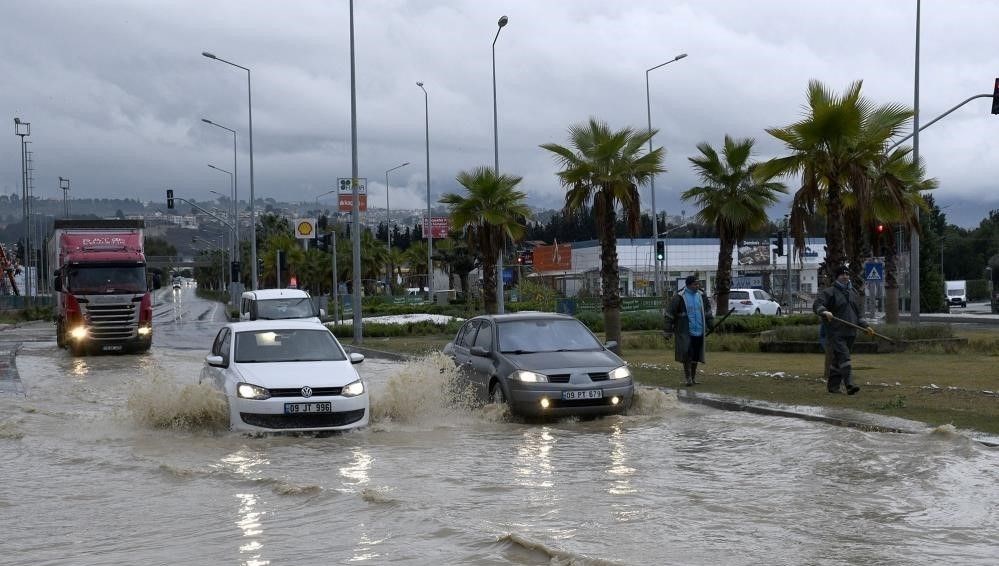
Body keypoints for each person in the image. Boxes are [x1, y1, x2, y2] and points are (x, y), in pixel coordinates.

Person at [813, 265, 875, 395]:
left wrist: (866, 326)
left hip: (851, 332)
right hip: (836, 332)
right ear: (837, 277)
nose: (845, 277)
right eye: (842, 274)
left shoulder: (854, 293)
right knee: (845, 357)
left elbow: (859, 315)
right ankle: (850, 385)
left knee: (838, 360)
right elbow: (817, 305)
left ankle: (833, 387)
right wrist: (824, 311)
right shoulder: (829, 292)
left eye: (847, 274)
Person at [664, 275, 714, 386]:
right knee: (687, 355)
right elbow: (669, 314)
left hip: (699, 331)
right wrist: (667, 330)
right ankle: (688, 378)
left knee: (696, 355)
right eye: (695, 284)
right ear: (689, 285)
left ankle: (693, 377)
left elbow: (708, 312)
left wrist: (711, 324)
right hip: (685, 332)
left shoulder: (702, 296)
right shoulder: (679, 297)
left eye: (698, 284)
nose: (698, 286)